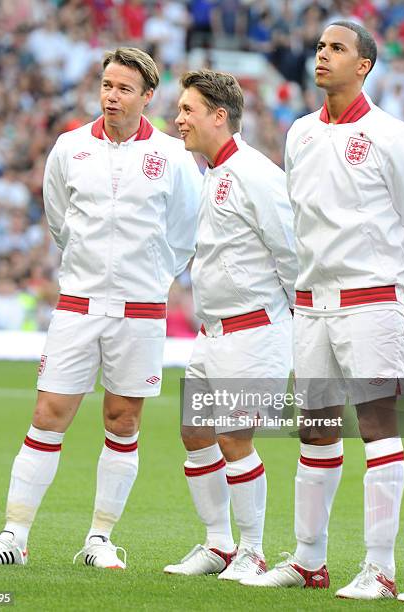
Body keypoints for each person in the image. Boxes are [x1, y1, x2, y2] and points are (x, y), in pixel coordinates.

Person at [0, 47, 201, 569]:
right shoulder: (70, 148)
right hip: (78, 304)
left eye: (123, 88)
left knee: (122, 421)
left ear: (147, 96)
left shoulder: (174, 157)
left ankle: (98, 539)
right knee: (48, 414)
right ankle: (13, 535)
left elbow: (185, 232)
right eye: (106, 85)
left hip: (140, 311)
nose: (111, 96)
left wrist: (152, 278)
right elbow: (59, 220)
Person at [242, 22, 404, 598]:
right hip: (311, 304)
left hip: (369, 303)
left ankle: (380, 568)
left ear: (365, 65)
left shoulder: (393, 137)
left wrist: (392, 283)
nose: (323, 56)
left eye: (337, 49)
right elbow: (300, 221)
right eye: (321, 47)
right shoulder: (299, 133)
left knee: (377, 427)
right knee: (315, 431)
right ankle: (309, 560)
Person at [163, 70, 297, 580]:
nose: (178, 120)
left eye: (188, 110)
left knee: (234, 437)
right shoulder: (211, 173)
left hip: (255, 329)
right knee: (195, 433)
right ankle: (217, 544)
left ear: (219, 115)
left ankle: (253, 549)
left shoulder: (256, 174)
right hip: (211, 332)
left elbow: (291, 252)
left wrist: (290, 325)